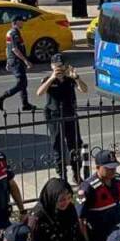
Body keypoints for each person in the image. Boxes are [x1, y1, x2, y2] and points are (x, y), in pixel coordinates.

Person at [37, 54, 87, 182]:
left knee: (75, 145)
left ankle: (76, 174)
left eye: (62, 65)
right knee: (58, 146)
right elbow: (39, 93)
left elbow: (84, 89)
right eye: (57, 66)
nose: (59, 68)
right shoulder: (48, 79)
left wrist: (77, 78)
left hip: (70, 114)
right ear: (52, 66)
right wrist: (52, 78)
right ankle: (62, 176)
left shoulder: (70, 79)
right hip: (54, 116)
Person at [0, 16, 37, 113]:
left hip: (14, 60)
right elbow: (14, 49)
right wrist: (25, 61)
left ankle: (25, 104)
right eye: (21, 21)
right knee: (21, 83)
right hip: (17, 61)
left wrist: (8, 61)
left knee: (23, 83)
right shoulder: (14, 33)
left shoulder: (10, 32)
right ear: (16, 22)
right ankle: (1, 98)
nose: (23, 23)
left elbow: (7, 48)